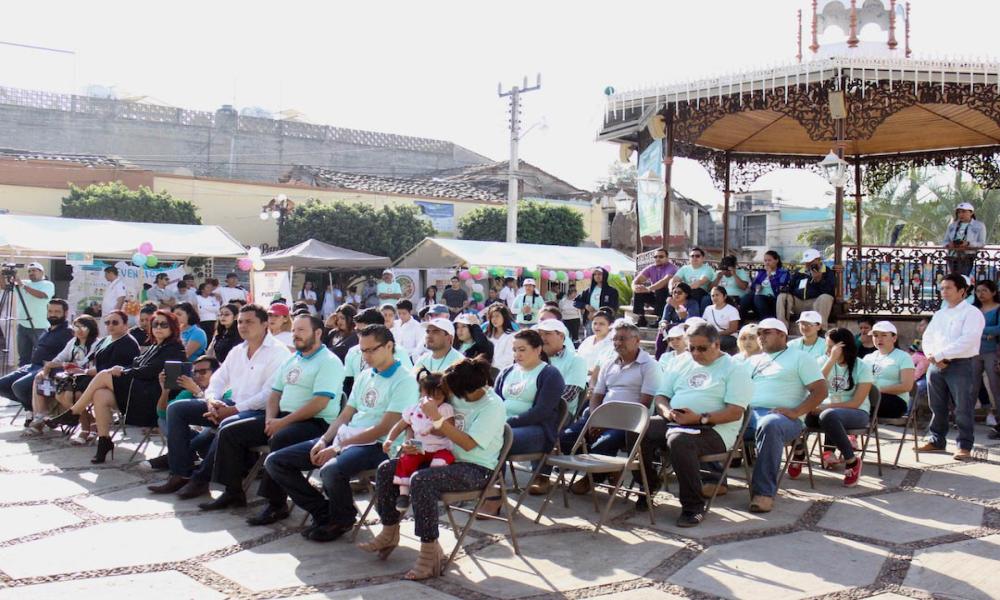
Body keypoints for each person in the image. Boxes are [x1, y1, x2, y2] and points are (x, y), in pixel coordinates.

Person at [263, 324, 415, 540]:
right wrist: (325, 440)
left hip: (380, 445)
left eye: (372, 350)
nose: (366, 356)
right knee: (276, 461)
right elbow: (345, 414)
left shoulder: (405, 380)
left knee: (330, 470)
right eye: (363, 350)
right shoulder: (364, 376)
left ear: (389, 346)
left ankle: (341, 519)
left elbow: (384, 428)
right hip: (348, 437)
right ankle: (324, 510)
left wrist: (337, 447)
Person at [360, 357, 505, 580]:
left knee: (422, 480)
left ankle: (429, 551)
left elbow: (467, 443)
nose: (449, 395)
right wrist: (413, 444)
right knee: (386, 469)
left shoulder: (492, 407)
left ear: (465, 389)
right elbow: (418, 424)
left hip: (476, 468)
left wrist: (437, 419)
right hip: (439, 455)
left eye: (452, 391)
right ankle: (389, 530)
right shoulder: (458, 394)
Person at [197, 314, 344, 514]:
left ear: (317, 333)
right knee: (230, 429)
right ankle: (232, 492)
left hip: (314, 423)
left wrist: (281, 423)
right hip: (283, 417)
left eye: (301, 330)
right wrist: (270, 420)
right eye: (294, 331)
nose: (295, 335)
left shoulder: (329, 361)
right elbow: (274, 394)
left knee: (282, 437)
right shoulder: (293, 359)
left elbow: (319, 403)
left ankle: (276, 504)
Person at [149, 303, 292, 497]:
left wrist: (232, 410)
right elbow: (218, 379)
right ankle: (181, 473)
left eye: (249, 321)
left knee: (228, 423)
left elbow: (269, 395)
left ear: (265, 324)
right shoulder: (238, 351)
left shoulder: (278, 352)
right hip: (231, 405)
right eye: (240, 321)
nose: (243, 326)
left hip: (261, 412)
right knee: (176, 409)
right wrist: (212, 401)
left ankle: (201, 480)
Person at [641, 323, 751, 522]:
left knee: (679, 440)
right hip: (677, 421)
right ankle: (648, 484)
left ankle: (693, 507)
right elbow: (661, 396)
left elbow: (735, 412)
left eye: (702, 348)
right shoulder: (682, 361)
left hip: (714, 429)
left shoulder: (735, 368)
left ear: (716, 345)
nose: (695, 353)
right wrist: (667, 412)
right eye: (691, 348)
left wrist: (700, 418)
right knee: (639, 428)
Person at [57, 309, 186, 464]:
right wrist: (121, 368)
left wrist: (123, 371)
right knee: (100, 394)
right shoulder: (154, 346)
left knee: (104, 374)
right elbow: (137, 365)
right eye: (155, 324)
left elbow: (150, 371)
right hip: (137, 394)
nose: (158, 327)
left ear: (173, 327)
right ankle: (104, 440)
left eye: (164, 324)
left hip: (154, 402)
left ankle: (74, 412)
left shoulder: (175, 349)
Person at [561, 322, 660, 495]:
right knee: (566, 438)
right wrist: (595, 418)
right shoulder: (609, 363)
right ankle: (611, 469)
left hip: (630, 422)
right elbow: (597, 395)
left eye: (622, 339)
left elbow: (644, 404)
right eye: (614, 339)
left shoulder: (649, 365)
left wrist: (607, 421)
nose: (617, 343)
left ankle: (595, 477)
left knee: (603, 444)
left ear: (637, 340)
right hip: (601, 417)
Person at [744, 318, 827, 513]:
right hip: (749, 413)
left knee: (770, 424)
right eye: (759, 333)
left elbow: (821, 391)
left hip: (783, 417)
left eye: (766, 333)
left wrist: (796, 411)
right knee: (712, 418)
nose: (761, 337)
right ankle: (714, 480)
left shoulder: (800, 358)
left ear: (782, 334)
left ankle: (763, 493)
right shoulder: (753, 360)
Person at [917, 273, 985, 461]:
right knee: (937, 406)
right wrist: (931, 354)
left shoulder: (972, 313)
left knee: (963, 407)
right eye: (942, 288)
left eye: (948, 288)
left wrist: (941, 355)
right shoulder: (940, 313)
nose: (944, 292)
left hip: (961, 364)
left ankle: (964, 445)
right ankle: (936, 439)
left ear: (962, 291)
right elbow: (928, 337)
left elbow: (968, 340)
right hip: (936, 365)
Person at [493, 329, 565, 497]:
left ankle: (493, 494)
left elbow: (541, 412)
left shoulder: (549, 374)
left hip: (537, 429)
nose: (517, 354)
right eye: (515, 350)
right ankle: (480, 484)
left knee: (495, 439)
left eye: (522, 349)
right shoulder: (507, 371)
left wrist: (506, 424)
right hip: (503, 425)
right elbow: (494, 403)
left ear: (538, 349)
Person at [801, 329, 873, 486]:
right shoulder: (823, 361)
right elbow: (813, 388)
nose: (827, 351)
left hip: (856, 413)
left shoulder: (862, 367)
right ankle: (799, 450)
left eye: (831, 347)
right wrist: (831, 360)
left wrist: (825, 406)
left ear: (843, 346)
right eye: (826, 346)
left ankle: (852, 461)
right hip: (825, 411)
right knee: (802, 411)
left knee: (828, 415)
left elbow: (856, 403)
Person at [382, 371, 456, 510]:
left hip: (440, 446)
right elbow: (399, 426)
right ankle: (403, 494)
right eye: (428, 396)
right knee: (405, 461)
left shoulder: (445, 409)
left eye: (438, 397)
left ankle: (433, 485)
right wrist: (389, 440)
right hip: (420, 445)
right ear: (421, 393)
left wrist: (433, 426)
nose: (432, 401)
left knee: (440, 461)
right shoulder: (413, 410)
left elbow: (448, 430)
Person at [67, 311, 141, 445]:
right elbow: (91, 359)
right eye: (107, 322)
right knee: (89, 393)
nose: (110, 326)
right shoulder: (106, 339)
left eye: (115, 322)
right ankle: (103, 441)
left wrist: (88, 371)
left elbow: (113, 368)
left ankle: (75, 415)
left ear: (125, 325)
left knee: (77, 393)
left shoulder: (128, 342)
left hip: (123, 386)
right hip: (102, 384)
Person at [22, 314, 100, 436]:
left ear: (91, 329)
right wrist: (47, 367)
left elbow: (85, 365)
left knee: (68, 395)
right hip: (69, 378)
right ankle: (40, 416)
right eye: (76, 327)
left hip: (85, 379)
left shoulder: (97, 344)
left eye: (82, 327)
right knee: (40, 377)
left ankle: (90, 422)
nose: (78, 331)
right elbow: (59, 359)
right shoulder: (73, 342)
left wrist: (64, 364)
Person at [0, 299, 73, 427]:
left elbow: (70, 356)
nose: (53, 314)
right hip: (32, 366)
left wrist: (52, 366)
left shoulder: (68, 332)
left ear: (65, 313)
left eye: (57, 311)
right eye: (50, 311)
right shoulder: (48, 329)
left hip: (48, 369)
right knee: (2, 385)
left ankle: (43, 413)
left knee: (19, 387)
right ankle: (33, 409)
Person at [535, 319, 588, 416]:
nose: (542, 338)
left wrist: (535, 405)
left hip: (558, 415)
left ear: (561, 336)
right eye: (540, 334)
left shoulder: (576, 360)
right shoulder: (533, 358)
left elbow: (568, 395)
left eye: (547, 333)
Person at [864, 321, 915, 419]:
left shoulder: (904, 357)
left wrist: (877, 391)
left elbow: (907, 386)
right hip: (870, 399)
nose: (879, 339)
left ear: (894, 338)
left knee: (861, 402)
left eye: (884, 335)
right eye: (875, 335)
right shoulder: (868, 358)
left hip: (895, 402)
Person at [777, 249, 835, 331]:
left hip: (815, 303)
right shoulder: (799, 273)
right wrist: (784, 289)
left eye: (811, 262)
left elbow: (830, 291)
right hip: (799, 303)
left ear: (818, 260)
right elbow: (791, 288)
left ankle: (821, 330)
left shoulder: (827, 272)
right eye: (806, 262)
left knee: (826, 297)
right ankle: (782, 328)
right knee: (783, 296)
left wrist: (818, 280)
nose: (808, 264)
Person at [12, 262, 55, 367]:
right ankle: (21, 377)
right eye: (29, 271)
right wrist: (4, 274)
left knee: (41, 356)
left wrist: (22, 285)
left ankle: (38, 378)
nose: (31, 273)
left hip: (40, 326)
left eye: (34, 270)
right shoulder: (24, 282)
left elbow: (42, 295)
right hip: (23, 325)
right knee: (23, 357)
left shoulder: (47, 284)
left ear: (42, 272)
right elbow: (4, 286)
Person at [973, 280, 1000, 430]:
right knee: (972, 387)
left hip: (992, 352)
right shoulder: (974, 309)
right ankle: (965, 420)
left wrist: (981, 331)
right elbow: (969, 329)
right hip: (974, 352)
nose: (980, 294)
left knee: (996, 387)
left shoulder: (997, 309)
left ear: (993, 292)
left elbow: (999, 329)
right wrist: (987, 333)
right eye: (978, 291)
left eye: (984, 290)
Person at [632, 249, 677, 328]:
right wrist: (635, 288)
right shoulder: (651, 268)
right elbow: (637, 280)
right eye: (655, 257)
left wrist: (648, 289)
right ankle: (641, 318)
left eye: (661, 256)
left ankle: (659, 319)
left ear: (667, 258)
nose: (657, 259)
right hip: (655, 295)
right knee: (639, 290)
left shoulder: (672, 268)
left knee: (661, 290)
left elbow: (664, 282)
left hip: (668, 296)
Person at [741, 250, 788, 321]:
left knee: (758, 298)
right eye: (765, 260)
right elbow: (753, 287)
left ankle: (766, 322)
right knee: (747, 297)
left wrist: (770, 276)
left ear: (776, 260)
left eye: (769, 260)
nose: (767, 263)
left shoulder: (783, 273)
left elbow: (780, 286)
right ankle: (740, 321)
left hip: (774, 298)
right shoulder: (762, 272)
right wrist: (758, 286)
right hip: (759, 297)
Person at [943, 202, 987, 275]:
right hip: (952, 256)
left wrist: (968, 243)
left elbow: (981, 243)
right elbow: (945, 241)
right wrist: (948, 245)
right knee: (953, 279)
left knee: (963, 278)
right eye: (959, 212)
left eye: (964, 212)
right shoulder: (952, 225)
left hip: (967, 257)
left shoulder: (979, 225)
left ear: (971, 212)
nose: (961, 214)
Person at [671, 247, 715, 313]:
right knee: (671, 295)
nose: (694, 258)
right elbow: (674, 280)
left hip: (702, 292)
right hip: (686, 292)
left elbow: (699, 283)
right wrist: (672, 290)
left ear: (703, 258)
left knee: (695, 292)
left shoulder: (707, 269)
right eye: (692, 256)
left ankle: (694, 317)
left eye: (697, 256)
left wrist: (683, 291)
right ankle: (664, 319)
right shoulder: (685, 268)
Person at [576, 309, 615, 376]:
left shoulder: (613, 344)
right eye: (595, 323)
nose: (597, 327)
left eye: (601, 324)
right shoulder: (588, 340)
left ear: (610, 326)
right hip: (580, 378)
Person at [702, 286, 740, 354]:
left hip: (729, 337)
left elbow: (733, 329)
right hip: (712, 336)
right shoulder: (708, 309)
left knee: (714, 342)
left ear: (724, 296)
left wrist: (717, 334)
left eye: (717, 295)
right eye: (712, 296)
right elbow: (704, 324)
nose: (714, 297)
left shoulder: (732, 310)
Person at [485, 303, 516, 370]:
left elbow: (509, 357)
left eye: (497, 316)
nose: (494, 319)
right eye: (492, 317)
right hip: (487, 370)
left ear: (504, 317)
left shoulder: (511, 335)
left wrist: (492, 364)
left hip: (503, 370)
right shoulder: (488, 335)